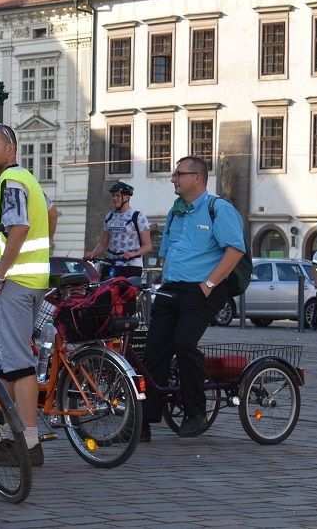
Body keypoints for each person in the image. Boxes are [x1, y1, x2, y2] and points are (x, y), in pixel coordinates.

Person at [142, 156, 245, 442]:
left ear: (196, 177)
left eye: (178, 174)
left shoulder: (218, 209)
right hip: (171, 287)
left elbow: (235, 251)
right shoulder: (176, 211)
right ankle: (145, 421)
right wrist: (163, 280)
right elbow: (169, 251)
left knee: (184, 342)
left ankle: (195, 412)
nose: (173, 179)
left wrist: (208, 285)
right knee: (154, 350)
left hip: (202, 289)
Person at [0, 122, 50, 467]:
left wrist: (0, 273)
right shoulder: (28, 180)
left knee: (19, 364)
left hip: (14, 284)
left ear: (11, 149)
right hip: (30, 281)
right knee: (5, 362)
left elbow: (19, 227)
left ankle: (29, 442)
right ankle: (5, 434)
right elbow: (50, 215)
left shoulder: (11, 180)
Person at [84, 181, 151, 280]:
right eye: (113, 196)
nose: (114, 198)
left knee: (124, 294)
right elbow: (103, 244)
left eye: (118, 196)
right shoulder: (109, 217)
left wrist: (133, 253)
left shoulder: (138, 217)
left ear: (127, 197)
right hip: (111, 264)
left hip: (130, 265)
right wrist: (92, 253)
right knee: (103, 293)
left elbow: (147, 246)